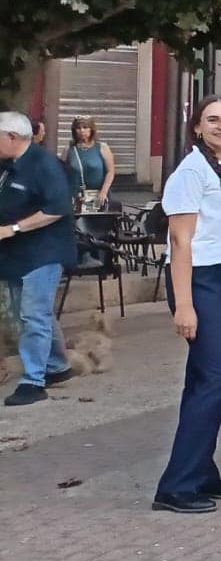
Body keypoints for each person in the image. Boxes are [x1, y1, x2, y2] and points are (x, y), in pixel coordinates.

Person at [151, 97, 221, 514]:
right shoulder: (190, 172)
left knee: (203, 380)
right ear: (197, 128)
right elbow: (180, 242)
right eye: (213, 120)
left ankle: (202, 472)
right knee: (220, 376)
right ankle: (176, 485)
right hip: (201, 279)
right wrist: (184, 305)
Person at [0, 111, 78, 406]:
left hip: (44, 252)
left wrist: (13, 228)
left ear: (11, 137)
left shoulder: (45, 165)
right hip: (16, 254)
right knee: (35, 312)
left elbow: (56, 209)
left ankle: (34, 380)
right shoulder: (8, 165)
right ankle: (57, 366)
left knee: (33, 314)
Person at [65, 117, 116, 211]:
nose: (82, 131)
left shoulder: (102, 148)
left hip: (98, 196)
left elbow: (110, 172)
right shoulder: (70, 149)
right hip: (76, 198)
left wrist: (104, 192)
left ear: (91, 129)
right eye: (78, 128)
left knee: (97, 220)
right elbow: (59, 171)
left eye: (85, 127)